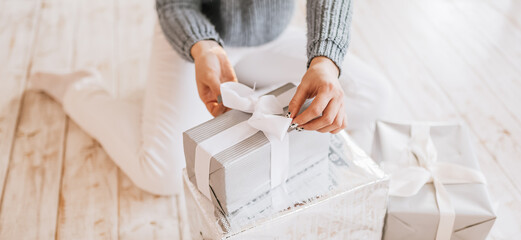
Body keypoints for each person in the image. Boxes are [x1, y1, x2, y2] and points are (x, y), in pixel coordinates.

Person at [29, 0, 390, 196]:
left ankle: (243, 97)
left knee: (372, 94)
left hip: (270, 38)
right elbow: (173, 6)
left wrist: (325, 61)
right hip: (195, 40)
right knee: (162, 176)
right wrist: (202, 48)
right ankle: (79, 89)